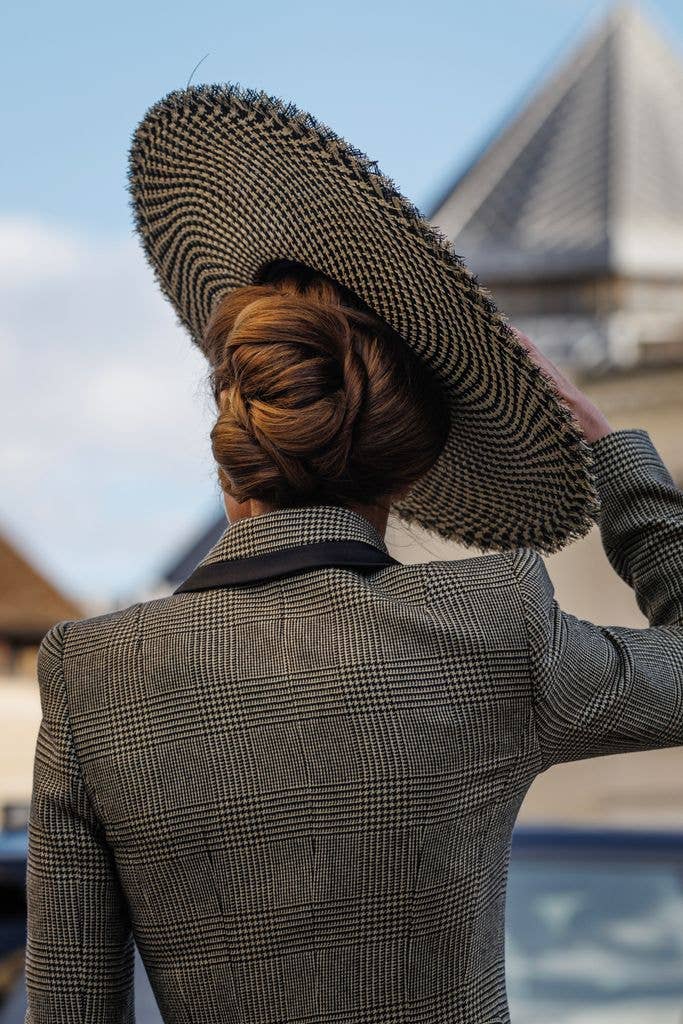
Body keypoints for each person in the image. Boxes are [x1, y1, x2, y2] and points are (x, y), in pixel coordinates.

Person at [24, 262, 682, 1024]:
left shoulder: (94, 670)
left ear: (231, 458)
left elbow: (71, 1006)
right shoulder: (492, 623)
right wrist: (613, 456)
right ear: (405, 476)